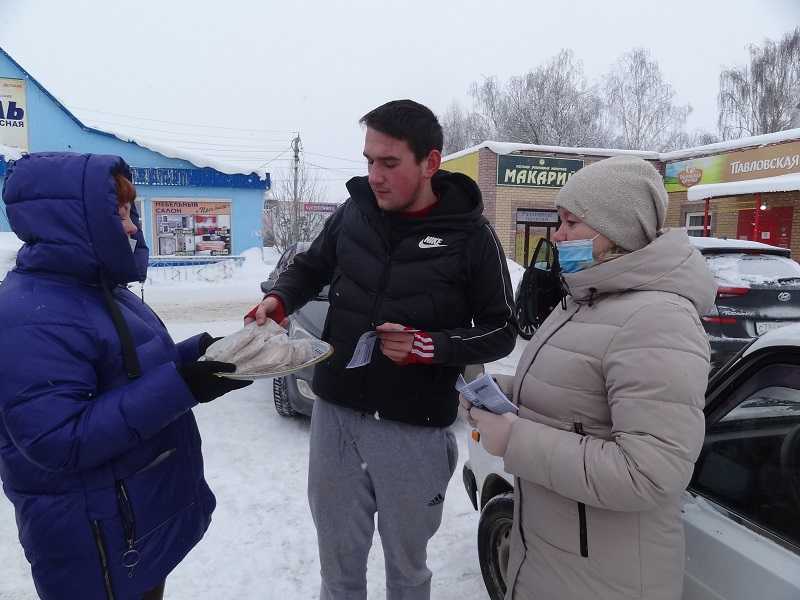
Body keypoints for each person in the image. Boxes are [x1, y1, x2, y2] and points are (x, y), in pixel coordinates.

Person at [249, 99, 517, 599]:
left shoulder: (472, 236)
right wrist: (280, 299)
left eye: (389, 163)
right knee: (338, 570)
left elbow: (503, 330)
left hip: (414, 432)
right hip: (337, 418)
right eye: (369, 160)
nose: (374, 175)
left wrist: (429, 346)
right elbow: (311, 267)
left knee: (407, 572)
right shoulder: (354, 213)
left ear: (430, 163)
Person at [0, 152, 250, 600]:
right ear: (73, 219)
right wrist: (184, 385)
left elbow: (133, 370)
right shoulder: (29, 313)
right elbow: (57, 439)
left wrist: (203, 356)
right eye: (116, 212)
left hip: (132, 526)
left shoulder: (101, 289)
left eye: (128, 209)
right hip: (95, 546)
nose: (133, 225)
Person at [465, 155, 717, 600]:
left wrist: (515, 439)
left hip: (606, 578)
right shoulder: (586, 299)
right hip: (554, 559)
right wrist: (508, 397)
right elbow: (578, 404)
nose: (558, 236)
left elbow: (649, 472)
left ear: (616, 229)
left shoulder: (658, 319)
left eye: (571, 223)